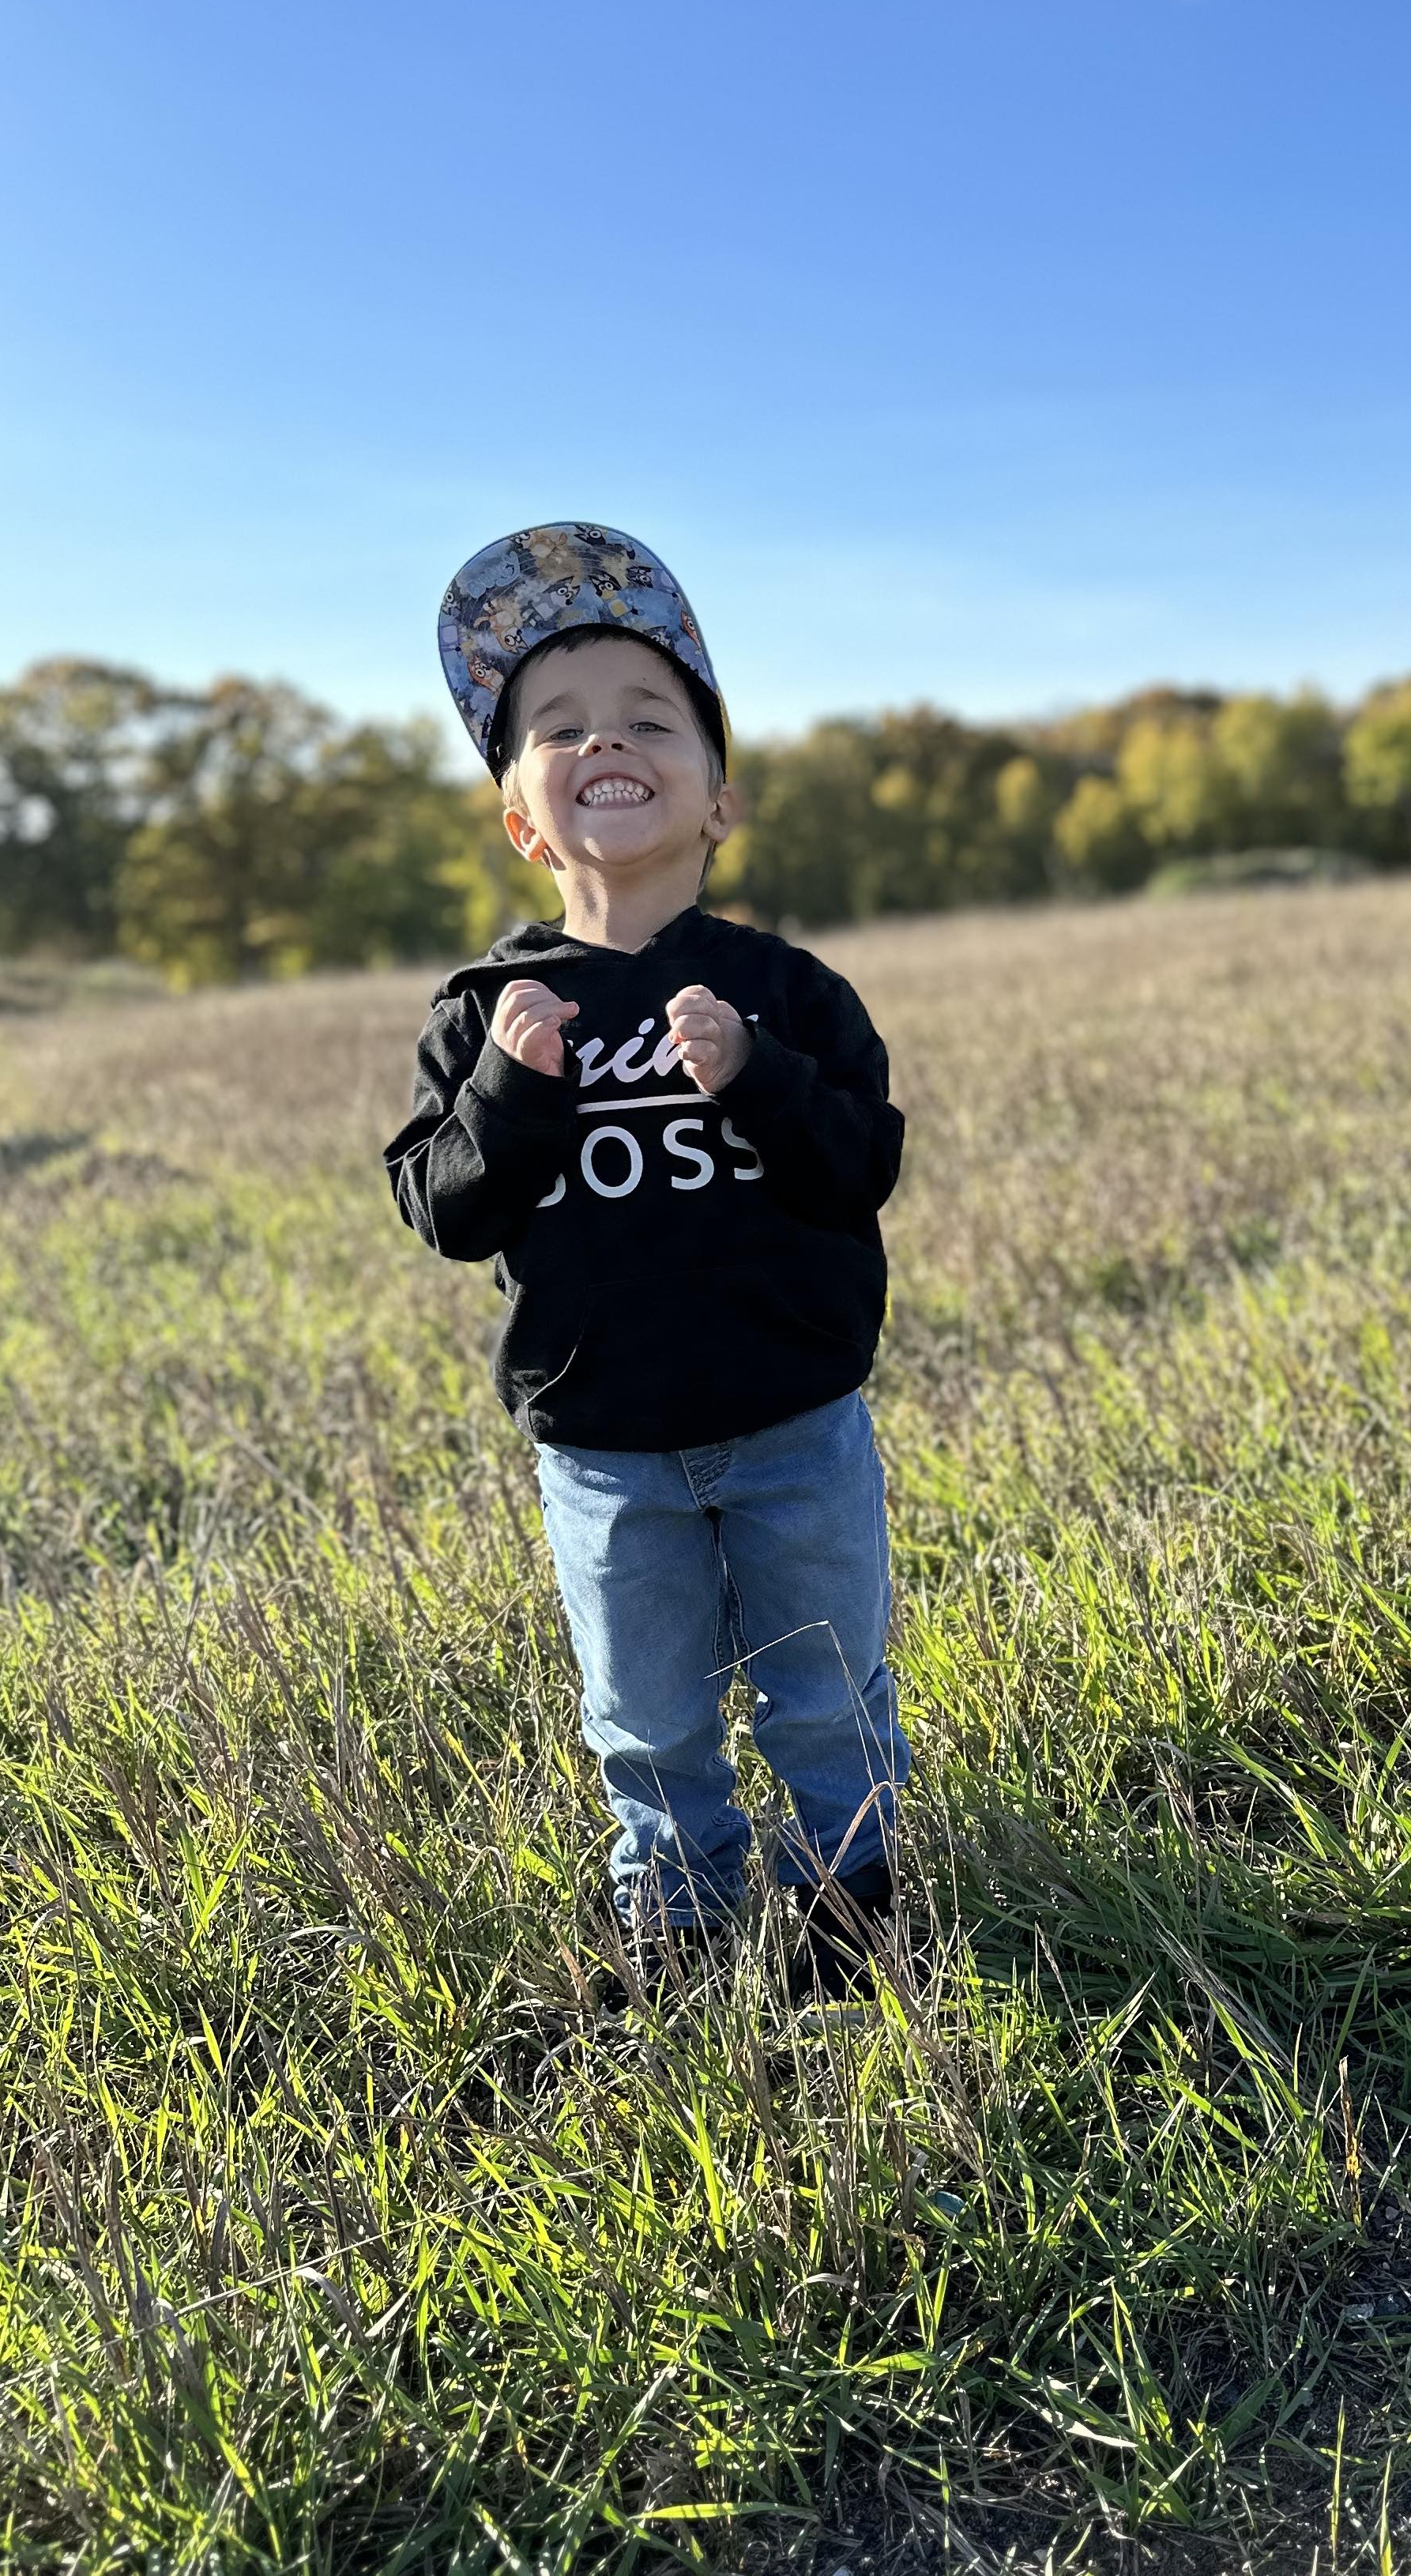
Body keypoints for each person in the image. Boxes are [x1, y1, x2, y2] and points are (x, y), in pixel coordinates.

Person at [384, 522, 909, 2000]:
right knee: (649, 1713)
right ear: (520, 819)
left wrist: (754, 1075)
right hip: (604, 1445)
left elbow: (859, 1167)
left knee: (824, 1688)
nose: (603, 739)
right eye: (558, 729)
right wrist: (508, 1086)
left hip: (797, 1422)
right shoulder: (489, 1005)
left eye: (647, 719)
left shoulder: (787, 991)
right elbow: (444, 1209)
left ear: (717, 797)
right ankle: (676, 1924)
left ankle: (849, 1911)